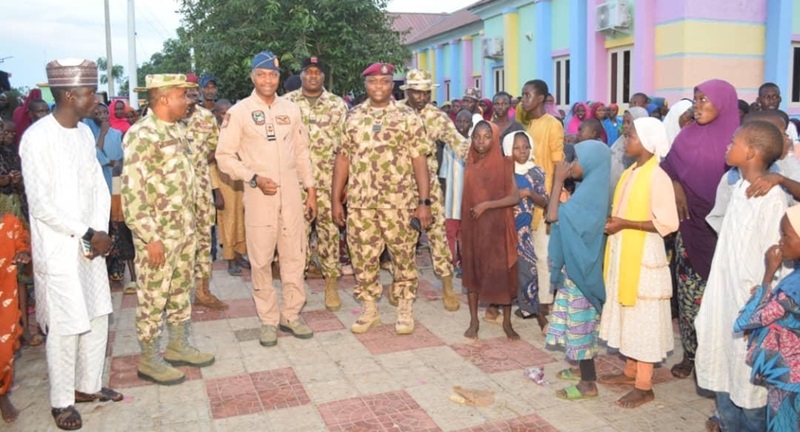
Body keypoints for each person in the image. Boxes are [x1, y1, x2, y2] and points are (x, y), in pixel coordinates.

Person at [20, 58, 122, 430]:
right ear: (67, 95)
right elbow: (42, 203)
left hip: (89, 243)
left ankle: (88, 386)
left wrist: (101, 230)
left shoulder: (82, 133)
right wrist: (85, 231)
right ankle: (61, 401)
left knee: (96, 315)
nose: (96, 99)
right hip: (60, 247)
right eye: (89, 92)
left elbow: (96, 183)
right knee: (64, 326)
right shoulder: (37, 138)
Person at [217, 51, 317, 346]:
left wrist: (310, 190)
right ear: (252, 77)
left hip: (291, 197)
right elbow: (223, 156)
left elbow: (301, 153)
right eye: (262, 75)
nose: (268, 80)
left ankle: (291, 315)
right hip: (259, 195)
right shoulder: (240, 111)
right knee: (261, 261)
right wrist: (253, 177)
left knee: (295, 257)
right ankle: (268, 320)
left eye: (273, 75)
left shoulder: (291, 109)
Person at [123, 74, 215, 385]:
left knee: (180, 291)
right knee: (153, 296)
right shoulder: (141, 135)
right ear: (164, 99)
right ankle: (149, 358)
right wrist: (151, 238)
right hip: (159, 236)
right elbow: (133, 194)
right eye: (183, 96)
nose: (189, 101)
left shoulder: (178, 130)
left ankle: (178, 344)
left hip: (184, 231)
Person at [695, 120, 786, 431]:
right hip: (724, 299)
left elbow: (775, 259)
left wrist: (759, 308)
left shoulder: (771, 198)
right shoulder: (737, 189)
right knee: (724, 378)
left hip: (748, 308)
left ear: (751, 152)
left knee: (751, 397)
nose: (727, 146)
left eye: (734, 141)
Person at [331, 62, 432, 335]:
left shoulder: (408, 117)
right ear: (365, 85)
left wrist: (424, 203)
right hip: (361, 204)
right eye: (373, 82)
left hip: (399, 203)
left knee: (403, 256)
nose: (379, 87)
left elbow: (419, 160)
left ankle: (404, 308)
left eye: (385, 82)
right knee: (362, 257)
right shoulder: (352, 117)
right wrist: (335, 199)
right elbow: (343, 159)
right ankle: (369, 309)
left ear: (392, 86)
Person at [661, 79, 739, 379]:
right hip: (691, 230)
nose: (697, 106)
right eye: (695, 99)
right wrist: (677, 184)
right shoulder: (686, 135)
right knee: (689, 297)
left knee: (721, 301)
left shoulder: (738, 141)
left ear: (723, 102)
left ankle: (718, 360)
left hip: (724, 236)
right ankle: (691, 354)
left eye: (705, 100)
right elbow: (667, 167)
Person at [599, 117, 678, 408]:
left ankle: (644, 385)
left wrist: (624, 224)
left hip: (645, 255)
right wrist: (616, 224)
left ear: (646, 142)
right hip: (625, 251)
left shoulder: (657, 175)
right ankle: (630, 371)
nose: (625, 139)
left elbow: (667, 223)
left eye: (630, 136)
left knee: (643, 317)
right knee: (627, 313)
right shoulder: (632, 171)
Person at [545, 140, 611, 401]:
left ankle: (588, 383)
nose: (570, 165)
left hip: (582, 273)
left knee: (581, 327)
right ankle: (583, 371)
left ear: (592, 163)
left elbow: (552, 215)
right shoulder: (589, 189)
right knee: (578, 324)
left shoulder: (590, 197)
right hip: (577, 269)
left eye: (575, 160)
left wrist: (558, 180)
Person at [399, 69, 467, 311]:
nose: (421, 96)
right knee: (402, 239)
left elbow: (458, 143)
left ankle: (447, 285)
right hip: (399, 187)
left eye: (425, 92)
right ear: (407, 91)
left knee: (438, 234)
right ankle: (402, 285)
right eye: (416, 91)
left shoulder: (436, 116)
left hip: (430, 187)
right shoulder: (394, 113)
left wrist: (486, 157)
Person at [285, 56, 348, 311]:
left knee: (330, 236)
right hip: (295, 185)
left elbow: (346, 148)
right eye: (308, 71)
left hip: (327, 184)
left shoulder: (338, 105)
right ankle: (295, 288)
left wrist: (344, 186)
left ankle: (331, 284)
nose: (313, 76)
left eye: (317, 72)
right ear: (300, 75)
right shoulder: (286, 104)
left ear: (323, 76)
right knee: (294, 238)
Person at [735, 205, 800, 431]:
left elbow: (747, 320)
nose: (780, 242)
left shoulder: (793, 287)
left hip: (789, 379)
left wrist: (768, 275)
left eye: (786, 236)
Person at [461, 121, 520, 340]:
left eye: (487, 136)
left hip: (497, 227)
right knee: (473, 272)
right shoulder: (470, 161)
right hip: (473, 226)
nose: (481, 141)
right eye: (477, 136)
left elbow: (514, 197)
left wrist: (487, 205)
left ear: (495, 138)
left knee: (502, 273)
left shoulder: (505, 164)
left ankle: (507, 322)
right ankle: (474, 321)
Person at [520, 79, 565, 318]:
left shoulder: (552, 124)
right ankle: (532, 299)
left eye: (527, 95)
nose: (523, 99)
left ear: (540, 99)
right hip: (528, 200)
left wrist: (553, 202)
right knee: (532, 253)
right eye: (522, 95)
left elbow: (559, 165)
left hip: (545, 199)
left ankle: (546, 304)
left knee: (544, 254)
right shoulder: (529, 126)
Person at [182, 79, 228, 311]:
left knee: (203, 243)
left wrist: (196, 163)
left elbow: (215, 150)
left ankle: (203, 291)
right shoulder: (166, 119)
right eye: (185, 95)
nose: (190, 100)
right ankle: (177, 297)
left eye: (193, 95)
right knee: (178, 244)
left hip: (201, 190)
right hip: (172, 197)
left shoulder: (206, 118)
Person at [502, 130, 549, 330]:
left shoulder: (536, 172)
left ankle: (532, 308)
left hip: (525, 229)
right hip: (504, 227)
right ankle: (499, 307)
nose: (522, 151)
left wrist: (528, 193)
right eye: (517, 147)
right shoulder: (502, 171)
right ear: (508, 149)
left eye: (525, 147)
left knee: (528, 269)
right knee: (504, 269)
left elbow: (545, 200)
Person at [211, 99, 249, 276]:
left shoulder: (239, 129)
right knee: (228, 222)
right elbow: (211, 164)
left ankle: (240, 253)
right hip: (224, 183)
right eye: (221, 112)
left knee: (242, 220)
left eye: (228, 112)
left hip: (241, 182)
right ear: (216, 114)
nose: (226, 115)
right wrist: (216, 191)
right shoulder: (213, 133)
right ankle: (230, 259)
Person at [0, 210, 31, 424]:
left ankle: (2, 393)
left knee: (3, 351)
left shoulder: (9, 224)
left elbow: (24, 244)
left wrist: (24, 253)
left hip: (4, 295)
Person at [441, 109, 471, 278]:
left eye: (466, 121)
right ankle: (452, 262)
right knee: (450, 233)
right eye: (459, 121)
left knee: (465, 235)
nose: (462, 125)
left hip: (467, 201)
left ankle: (465, 262)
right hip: (451, 201)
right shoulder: (448, 145)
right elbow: (444, 174)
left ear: (471, 125)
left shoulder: (474, 145)